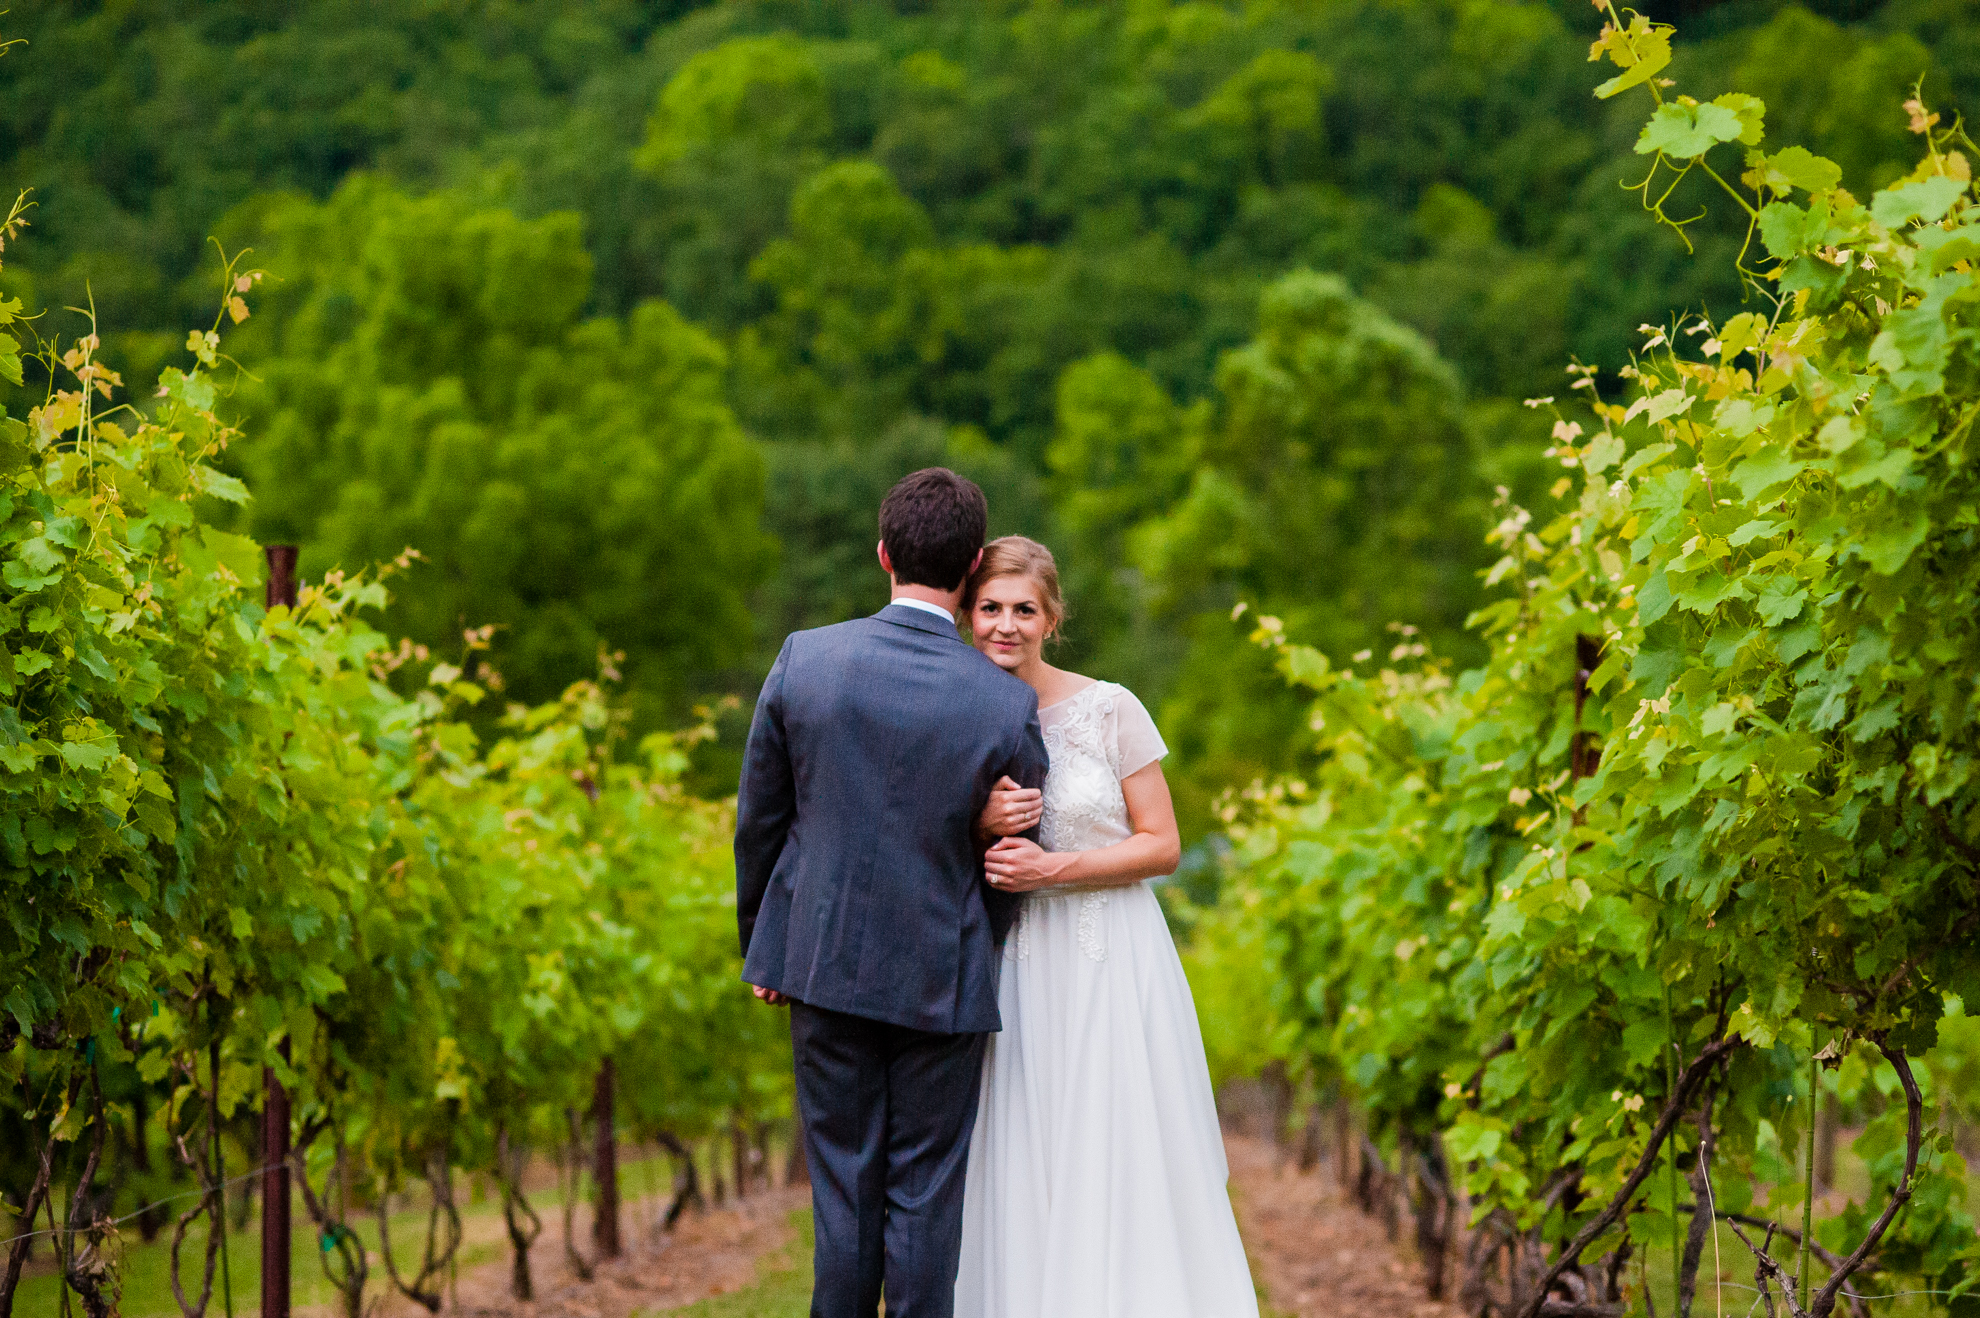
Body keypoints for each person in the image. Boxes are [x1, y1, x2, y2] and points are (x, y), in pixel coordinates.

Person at [735, 470, 1049, 1318]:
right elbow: (1013, 861)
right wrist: (971, 944)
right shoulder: (1003, 700)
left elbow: (761, 819)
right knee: (923, 1203)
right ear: (974, 565)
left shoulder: (808, 659)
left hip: (823, 963)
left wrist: (766, 943)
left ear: (882, 555)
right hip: (941, 982)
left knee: (842, 1196)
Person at [954, 536, 1260, 1318]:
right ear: (966, 613)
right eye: (990, 608)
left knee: (1117, 1140)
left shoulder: (1109, 707)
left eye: (1024, 609)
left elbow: (1162, 844)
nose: (1005, 625)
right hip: (1017, 962)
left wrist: (1051, 870)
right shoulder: (954, 711)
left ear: (1052, 618)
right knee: (1025, 1144)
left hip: (1107, 952)